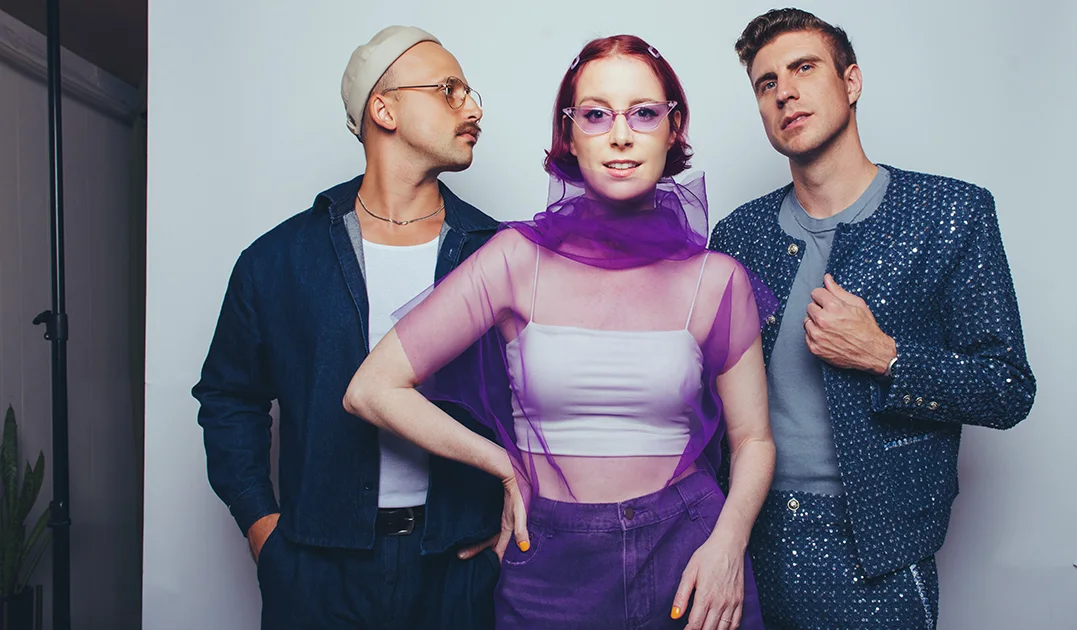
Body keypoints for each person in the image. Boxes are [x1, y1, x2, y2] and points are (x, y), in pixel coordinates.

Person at [344, 35, 775, 630]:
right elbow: (372, 388)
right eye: (596, 115)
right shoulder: (516, 259)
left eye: (644, 113)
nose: (620, 134)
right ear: (569, 136)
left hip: (690, 554)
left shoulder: (718, 279)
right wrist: (499, 463)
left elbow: (753, 439)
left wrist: (728, 546)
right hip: (550, 561)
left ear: (673, 130)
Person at [709, 9, 1037, 630]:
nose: (785, 92)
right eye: (766, 82)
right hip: (752, 534)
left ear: (851, 81)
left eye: (804, 68)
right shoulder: (739, 235)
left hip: (880, 549)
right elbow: (705, 391)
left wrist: (886, 355)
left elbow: (1008, 389)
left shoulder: (949, 214)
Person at [192, 25, 503, 630]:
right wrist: (264, 531)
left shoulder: (498, 253)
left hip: (457, 569)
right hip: (316, 571)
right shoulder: (279, 259)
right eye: (448, 89)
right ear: (382, 109)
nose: (474, 107)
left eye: (471, 91)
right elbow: (229, 398)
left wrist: (505, 535)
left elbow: (540, 397)